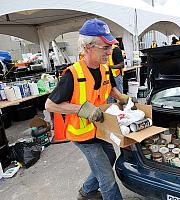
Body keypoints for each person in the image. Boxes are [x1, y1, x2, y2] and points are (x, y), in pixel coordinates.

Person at [45, 18, 129, 200]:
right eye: (105, 47)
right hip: (82, 135)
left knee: (109, 159)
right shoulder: (73, 74)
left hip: (100, 128)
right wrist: (81, 109)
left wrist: (120, 96)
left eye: (110, 47)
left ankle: (87, 191)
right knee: (107, 178)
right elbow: (50, 105)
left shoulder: (105, 68)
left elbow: (110, 87)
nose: (110, 51)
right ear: (88, 47)